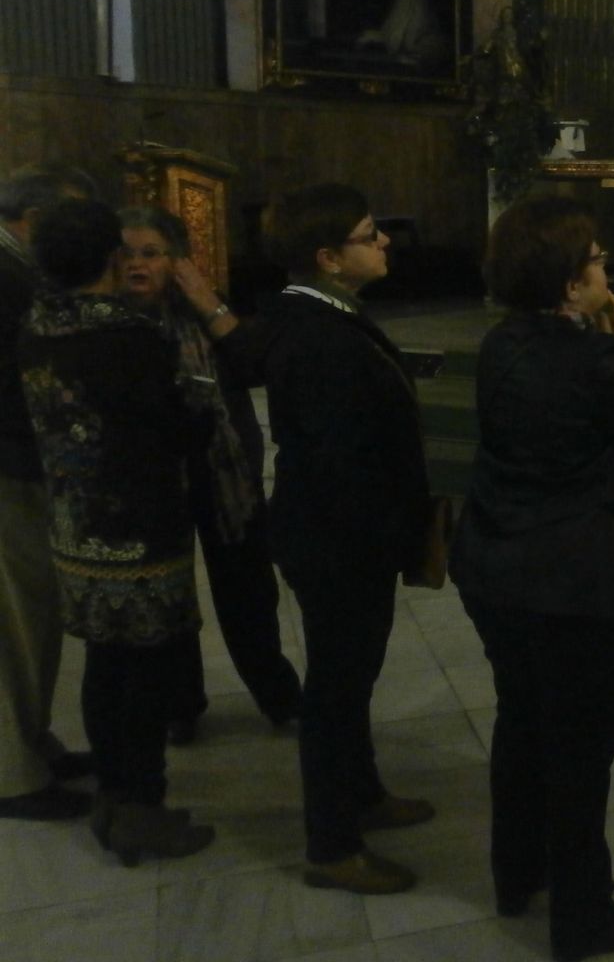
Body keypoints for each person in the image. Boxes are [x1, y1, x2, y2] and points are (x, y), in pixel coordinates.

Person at [450, 196, 614, 962]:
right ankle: (583, 917)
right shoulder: (593, 361)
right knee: (579, 750)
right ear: (567, 286)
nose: (605, 267)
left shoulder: (499, 344)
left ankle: (515, 874)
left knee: (521, 721)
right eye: (593, 258)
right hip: (573, 584)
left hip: (496, 566)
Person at [17, 198, 214, 863]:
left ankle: (113, 794)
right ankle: (141, 808)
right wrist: (199, 407)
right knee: (148, 673)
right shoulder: (129, 335)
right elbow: (173, 429)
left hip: (75, 526)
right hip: (138, 530)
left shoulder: (37, 325)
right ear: (113, 257)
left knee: (105, 665)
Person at [258, 182, 435, 895]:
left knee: (351, 680)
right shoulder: (320, 334)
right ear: (330, 257)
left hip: (340, 535)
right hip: (336, 541)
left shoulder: (326, 315)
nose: (385, 241)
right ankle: (332, 846)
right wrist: (392, 535)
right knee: (334, 694)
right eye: (370, 234)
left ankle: (363, 794)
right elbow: (342, 461)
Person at [118, 206, 302, 742]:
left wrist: (206, 300)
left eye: (150, 253)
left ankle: (279, 697)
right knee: (169, 598)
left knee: (247, 592)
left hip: (225, 477)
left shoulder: (207, 313)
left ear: (177, 262)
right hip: (155, 481)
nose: (136, 264)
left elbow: (253, 366)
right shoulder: (111, 322)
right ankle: (180, 704)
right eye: (126, 254)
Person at [0, 167, 97, 821]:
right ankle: (13, 774)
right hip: (6, 466)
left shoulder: (14, 268)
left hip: (18, 463)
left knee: (32, 615)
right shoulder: (7, 276)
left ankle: (33, 743)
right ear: (31, 222)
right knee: (13, 623)